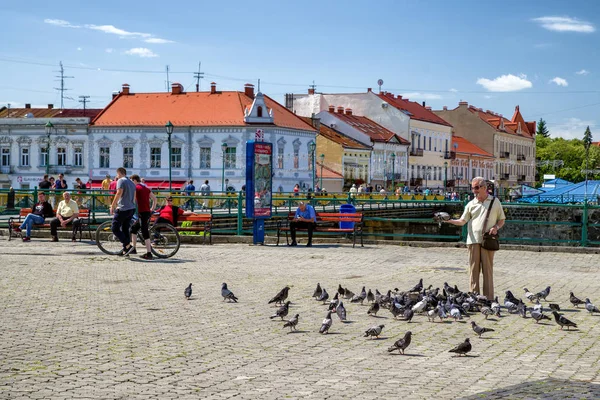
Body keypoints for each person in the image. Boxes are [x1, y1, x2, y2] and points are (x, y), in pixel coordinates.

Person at [445, 177, 506, 300]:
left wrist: (496, 227)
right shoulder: (471, 204)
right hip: (472, 241)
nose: (474, 190)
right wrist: (450, 220)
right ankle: (474, 297)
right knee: (474, 271)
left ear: (484, 188)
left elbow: (502, 220)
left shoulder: (495, 202)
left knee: (487, 270)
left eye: (477, 187)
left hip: (487, 240)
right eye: (472, 188)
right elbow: (462, 221)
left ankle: (489, 299)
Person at [129, 175, 157, 260]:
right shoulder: (145, 187)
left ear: (134, 180)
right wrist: (152, 208)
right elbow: (155, 199)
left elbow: (132, 200)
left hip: (142, 213)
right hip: (147, 212)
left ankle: (149, 253)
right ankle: (133, 248)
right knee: (133, 229)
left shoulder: (136, 188)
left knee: (145, 232)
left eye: (131, 181)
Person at [110, 167, 137, 256]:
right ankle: (126, 250)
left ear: (120, 173)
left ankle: (128, 246)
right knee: (125, 229)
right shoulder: (132, 183)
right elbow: (134, 196)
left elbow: (119, 193)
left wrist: (113, 205)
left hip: (123, 208)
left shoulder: (121, 181)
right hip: (131, 208)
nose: (116, 176)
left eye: (117, 174)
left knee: (115, 228)